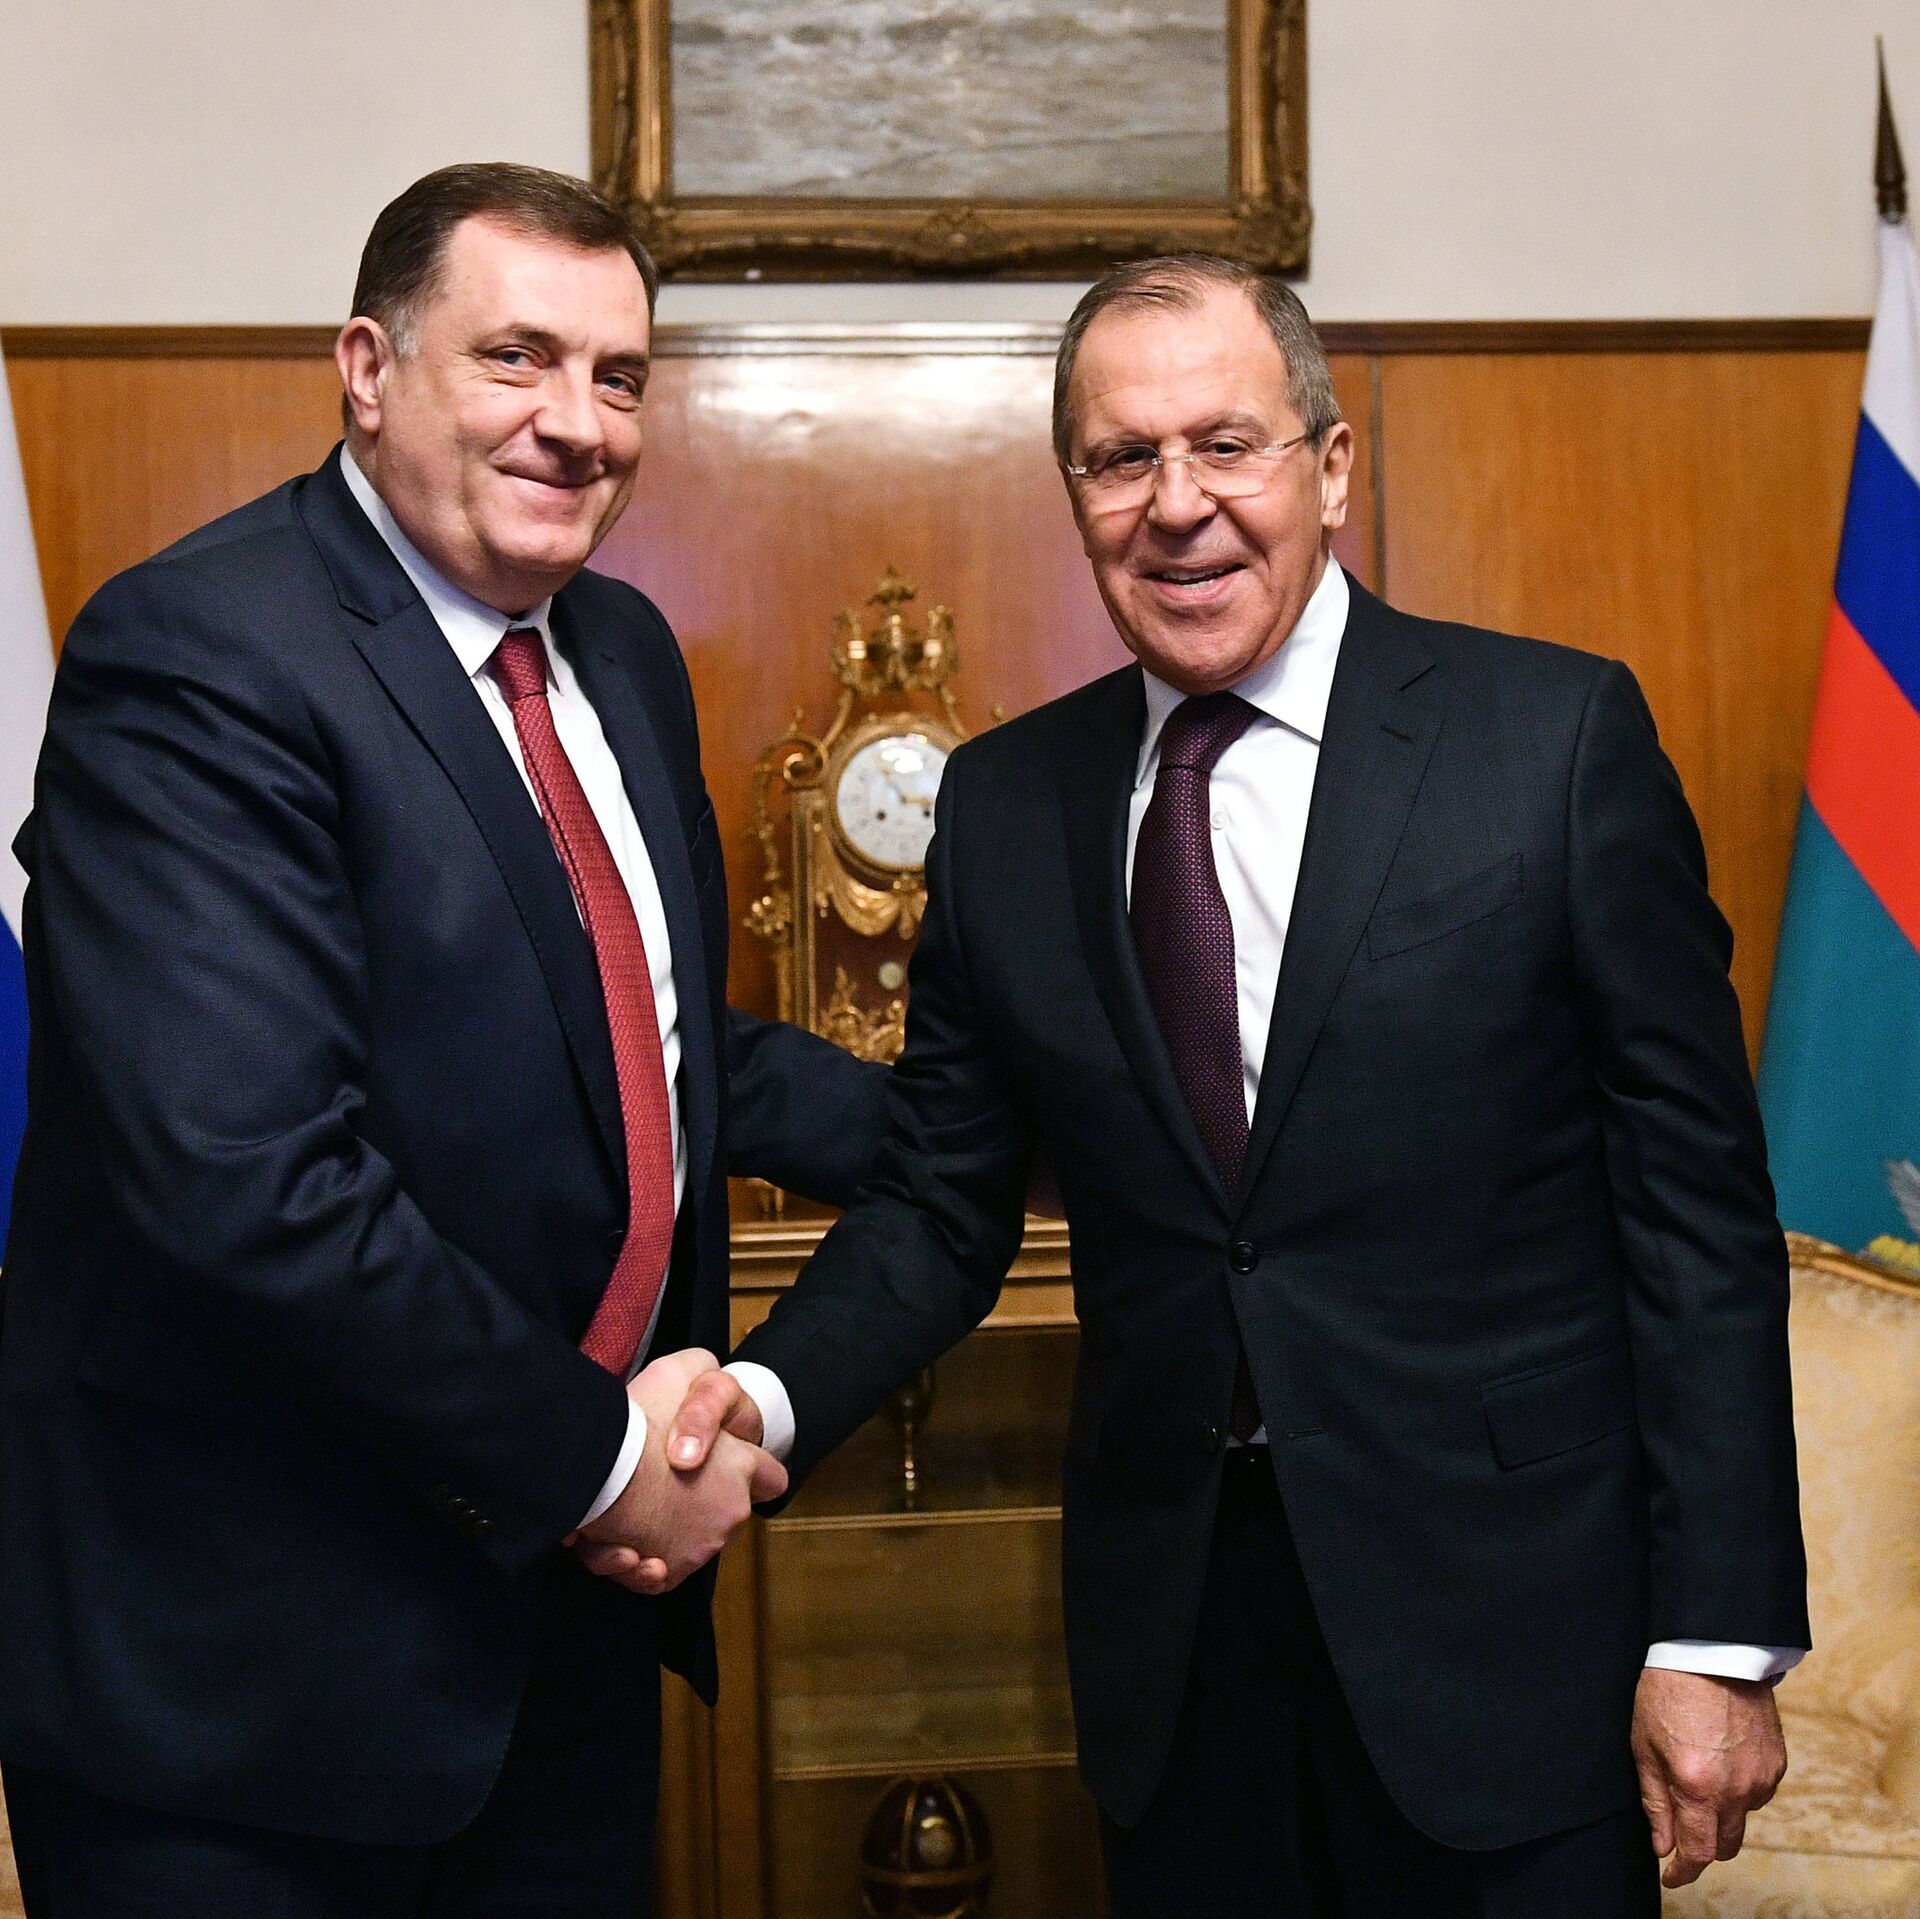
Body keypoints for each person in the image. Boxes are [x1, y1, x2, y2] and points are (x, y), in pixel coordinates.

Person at [650, 255, 1810, 1917]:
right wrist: (751, 1414)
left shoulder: (1550, 742)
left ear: (1330, 469)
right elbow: (937, 1208)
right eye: (1123, 458)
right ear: (1076, 495)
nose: (1177, 503)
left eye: (1225, 444)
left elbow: (1696, 1214)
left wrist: (1717, 1633)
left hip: (1514, 1638)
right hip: (1181, 1658)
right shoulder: (1006, 805)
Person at [0, 163, 887, 1917]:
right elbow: (251, 1178)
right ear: (368, 367)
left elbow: (638, 1039)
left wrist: (997, 1117)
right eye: (516, 358)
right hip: (250, 1695)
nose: (577, 423)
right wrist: (606, 1463)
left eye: (619, 377)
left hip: (555, 1650)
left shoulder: (618, 648)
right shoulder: (198, 656)